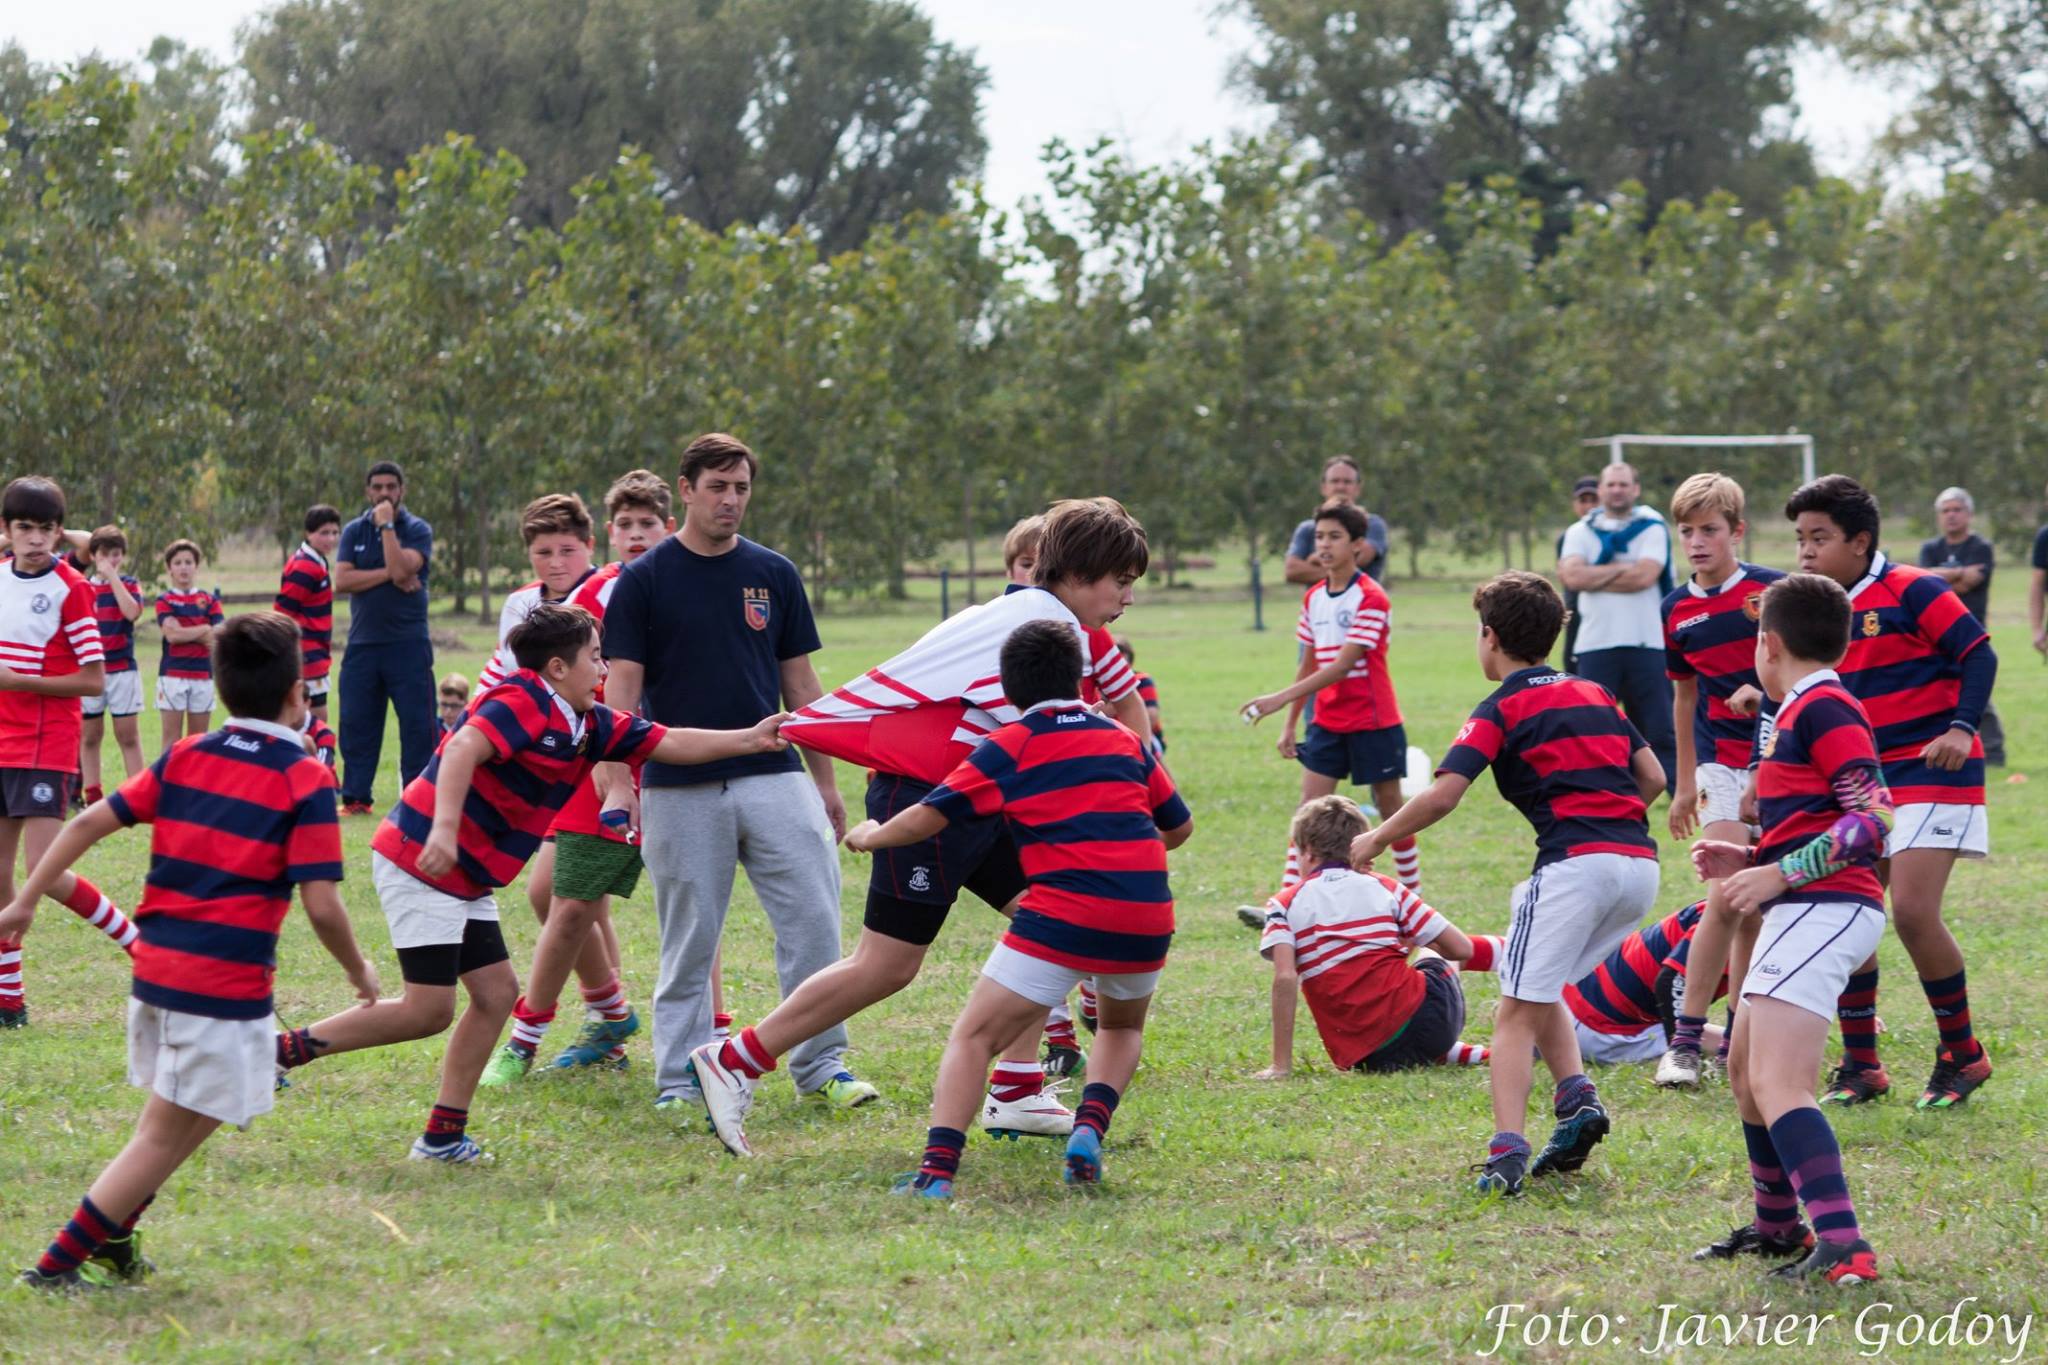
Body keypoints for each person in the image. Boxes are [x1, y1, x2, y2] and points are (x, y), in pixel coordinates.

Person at [692, 497, 1154, 1157]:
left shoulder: (1042, 615)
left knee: (1051, 923)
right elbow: (1043, 737)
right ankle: (736, 1058)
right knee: (886, 965)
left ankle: (1019, 1087)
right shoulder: (1034, 621)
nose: (1128, 597)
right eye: (1122, 580)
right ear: (1080, 572)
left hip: (976, 798)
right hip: (932, 800)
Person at [272, 603, 786, 1164]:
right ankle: (277, 1054)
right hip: (422, 860)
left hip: (463, 875)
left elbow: (666, 741)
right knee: (428, 1009)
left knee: (494, 997)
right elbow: (464, 746)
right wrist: (444, 829)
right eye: (595, 657)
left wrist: (750, 739)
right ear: (559, 667)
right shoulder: (525, 698)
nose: (604, 669)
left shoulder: (586, 722)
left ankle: (441, 1138)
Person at [1, 611, 379, 1292]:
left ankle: (112, 1235)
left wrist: (27, 898)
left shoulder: (187, 754)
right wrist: (359, 969)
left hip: (158, 973)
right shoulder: (305, 776)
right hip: (220, 988)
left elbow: (87, 819)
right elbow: (322, 903)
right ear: (299, 693)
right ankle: (56, 1265)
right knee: (163, 1133)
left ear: (218, 683)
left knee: (186, 1119)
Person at [847, 621, 1192, 1196]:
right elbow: (1178, 828)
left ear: (1007, 690)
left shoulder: (1010, 743)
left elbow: (931, 815)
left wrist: (872, 835)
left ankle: (935, 1175)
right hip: (1147, 915)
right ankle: (1089, 1128)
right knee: (1122, 1026)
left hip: (1063, 914)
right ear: (1080, 679)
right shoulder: (1122, 738)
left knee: (973, 1039)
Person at [598, 435, 882, 1125]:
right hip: (678, 783)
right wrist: (616, 784)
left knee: (815, 919)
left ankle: (823, 1066)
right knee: (690, 936)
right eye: (718, 485)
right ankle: (680, 1076)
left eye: (742, 487)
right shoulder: (644, 580)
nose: (731, 499)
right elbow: (619, 698)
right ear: (686, 489)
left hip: (775, 772)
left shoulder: (774, 573)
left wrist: (827, 781)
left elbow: (803, 684)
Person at [1351, 571, 1664, 1196]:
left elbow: (1443, 795)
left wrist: (1375, 838)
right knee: (1541, 986)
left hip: (1577, 867)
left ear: (1489, 637)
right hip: (1639, 869)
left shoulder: (1502, 705)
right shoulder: (1594, 692)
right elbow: (1653, 775)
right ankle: (1578, 1102)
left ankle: (1506, 1154)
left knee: (1514, 1013)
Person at [1690, 573, 1888, 1285]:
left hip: (1828, 907)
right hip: (1806, 904)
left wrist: (1779, 874)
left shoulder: (1826, 706)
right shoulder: (1801, 708)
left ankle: (1845, 1244)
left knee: (1780, 1080)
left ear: (1767, 644)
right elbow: (1820, 821)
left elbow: (1874, 819)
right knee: (1745, 1072)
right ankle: (1779, 1227)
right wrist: (1750, 857)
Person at [1784, 475, 1996, 1111]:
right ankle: (1862, 1066)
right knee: (1849, 912)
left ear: (1861, 540)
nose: (1806, 552)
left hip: (1937, 766)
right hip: (1869, 782)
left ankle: (1963, 1053)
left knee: (1909, 911)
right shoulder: (1820, 611)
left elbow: (1979, 655)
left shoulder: (1913, 588)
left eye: (1820, 538)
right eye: (1799, 539)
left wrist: (1961, 728)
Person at [483, 471, 676, 1083]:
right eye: (628, 524)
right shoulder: (575, 600)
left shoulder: (671, 586)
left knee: (597, 903)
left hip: (654, 760)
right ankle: (608, 1019)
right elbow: (529, 683)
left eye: (649, 524)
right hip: (586, 760)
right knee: (558, 897)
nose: (638, 534)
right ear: (612, 533)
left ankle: (538, 1036)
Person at [1654, 473, 1785, 1088]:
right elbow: (1682, 700)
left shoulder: (1771, 593)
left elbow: (1804, 677)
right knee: (1727, 892)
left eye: (1710, 529)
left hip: (1779, 762)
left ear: (1737, 531)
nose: (1698, 542)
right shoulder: (1674, 610)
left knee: (1753, 905)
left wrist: (1760, 691)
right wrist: (1684, 783)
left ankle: (1736, 1034)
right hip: (1716, 765)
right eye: (1687, 531)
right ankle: (1684, 1041)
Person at [0, 478, 137, 1029]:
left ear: (60, 531)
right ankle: (10, 999)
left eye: (45, 529)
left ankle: (140, 944)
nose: (35, 540)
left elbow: (93, 679)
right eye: (23, 528)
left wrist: (19, 680)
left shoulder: (70, 586)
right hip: (2, 741)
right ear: (7, 531)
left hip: (46, 745)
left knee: (46, 872)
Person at [1242, 503, 1420, 893]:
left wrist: (1276, 700)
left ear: (1358, 545)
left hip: (1374, 721)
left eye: (1334, 537)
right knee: (1308, 809)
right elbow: (1308, 665)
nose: (1324, 544)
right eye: (1320, 536)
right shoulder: (1313, 599)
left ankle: (1411, 893)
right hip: (1326, 721)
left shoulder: (1372, 597)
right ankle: (1287, 899)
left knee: (1392, 810)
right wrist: (1290, 724)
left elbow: (1342, 666)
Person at [1254, 795, 1480, 1079]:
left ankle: (1456, 1050)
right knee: (1429, 952)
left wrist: (1281, 1066)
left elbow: (1285, 977)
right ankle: (1462, 1047)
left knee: (1414, 959)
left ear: (1308, 852)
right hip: (1433, 1024)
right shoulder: (1385, 887)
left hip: (1367, 1056)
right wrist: (1408, 935)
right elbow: (1461, 948)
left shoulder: (1283, 904)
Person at [1463, 899, 1729, 1066]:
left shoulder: (1720, 907)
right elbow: (1670, 982)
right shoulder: (1728, 919)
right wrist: (1685, 1054)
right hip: (1603, 1031)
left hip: (1588, 998)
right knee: (1721, 1039)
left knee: (1537, 952)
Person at [1557, 462, 1678, 788]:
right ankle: (1595, 786)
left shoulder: (1652, 527)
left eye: (1624, 484)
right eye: (1611, 484)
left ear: (1635, 489)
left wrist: (1595, 574)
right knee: (1592, 724)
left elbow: (1645, 576)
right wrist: (1623, 569)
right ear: (1601, 489)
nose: (1617, 490)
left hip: (1647, 642)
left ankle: (1674, 791)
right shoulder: (1579, 532)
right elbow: (1571, 576)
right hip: (1595, 643)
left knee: (1660, 727)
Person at [334, 461, 434, 816]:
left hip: (408, 643)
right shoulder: (353, 532)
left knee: (417, 725)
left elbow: (401, 567)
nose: (384, 493)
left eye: (391, 487)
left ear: (402, 491)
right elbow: (342, 582)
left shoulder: (418, 529)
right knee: (357, 722)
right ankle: (356, 798)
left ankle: (418, 797)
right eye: (377, 487)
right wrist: (391, 574)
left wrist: (388, 526)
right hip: (363, 644)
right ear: (367, 491)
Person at [475, 493, 597, 693]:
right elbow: (501, 671)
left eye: (567, 551)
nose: (556, 563)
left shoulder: (610, 591)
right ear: (528, 553)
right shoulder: (518, 602)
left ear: (590, 545)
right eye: (544, 553)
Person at [1918, 487, 2003, 765]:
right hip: (1935, 631)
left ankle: (1994, 751)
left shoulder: (1980, 547)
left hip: (1972, 629)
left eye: (1957, 510)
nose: (1951, 516)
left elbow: (1973, 581)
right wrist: (1958, 574)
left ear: (1969, 514)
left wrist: (1945, 577)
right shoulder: (1930, 548)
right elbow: (1927, 583)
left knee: (1978, 688)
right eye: (1946, 511)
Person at [80, 525, 146, 803]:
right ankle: (92, 794)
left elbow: (131, 612)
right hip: (90, 671)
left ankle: (139, 794)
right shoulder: (81, 586)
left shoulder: (129, 584)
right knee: (90, 735)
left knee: (127, 734)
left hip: (123, 671)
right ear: (93, 555)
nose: (110, 560)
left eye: (116, 554)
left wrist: (113, 578)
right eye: (105, 553)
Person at [154, 540, 223, 757]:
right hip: (173, 676)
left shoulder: (210, 600)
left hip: (203, 675)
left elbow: (217, 637)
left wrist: (189, 632)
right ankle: (166, 787)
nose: (183, 567)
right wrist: (203, 628)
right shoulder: (165, 600)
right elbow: (172, 635)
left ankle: (194, 789)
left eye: (188, 562)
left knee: (198, 741)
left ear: (196, 566)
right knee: (171, 740)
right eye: (178, 563)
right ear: (169, 568)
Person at [274, 505, 341, 725]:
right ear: (308, 533)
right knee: (315, 722)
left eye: (334, 532)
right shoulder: (305, 566)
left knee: (310, 721)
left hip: (314, 654)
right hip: (307, 656)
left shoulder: (315, 561)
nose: (330, 539)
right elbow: (283, 613)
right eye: (323, 533)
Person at [1283, 457, 1389, 585]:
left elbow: (1360, 558)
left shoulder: (1372, 524)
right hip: (1319, 604)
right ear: (1323, 487)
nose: (1340, 487)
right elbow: (1292, 571)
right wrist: (1338, 571)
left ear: (1358, 488)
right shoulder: (1307, 529)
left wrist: (1315, 558)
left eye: (1347, 482)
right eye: (1334, 481)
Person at [1558, 476, 1599, 671]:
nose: (1589, 506)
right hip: (1575, 613)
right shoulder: (1568, 537)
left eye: (1594, 500)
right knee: (1573, 667)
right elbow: (1569, 577)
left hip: (1601, 613)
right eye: (1583, 501)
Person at [437, 673, 471, 739]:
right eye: (444, 704)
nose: (448, 711)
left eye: (454, 706)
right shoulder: (432, 731)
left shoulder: (471, 730)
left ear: (466, 705)